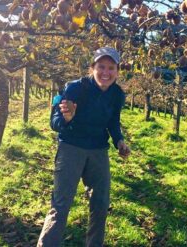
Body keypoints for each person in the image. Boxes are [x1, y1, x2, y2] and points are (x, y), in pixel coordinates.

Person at [38, 47, 130, 247]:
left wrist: (119, 140)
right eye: (101, 67)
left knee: (101, 204)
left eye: (111, 68)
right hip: (71, 147)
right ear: (92, 68)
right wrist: (67, 118)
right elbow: (54, 122)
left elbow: (113, 122)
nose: (106, 73)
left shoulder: (117, 95)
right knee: (61, 205)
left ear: (117, 71)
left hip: (98, 150)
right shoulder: (75, 88)